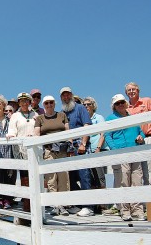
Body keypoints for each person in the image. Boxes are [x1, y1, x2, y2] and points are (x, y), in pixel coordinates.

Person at [104, 94, 146, 221]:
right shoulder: (110, 118)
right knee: (123, 181)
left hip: (135, 152)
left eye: (122, 102)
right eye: (118, 103)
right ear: (114, 106)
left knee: (137, 181)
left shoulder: (132, 117)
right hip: (121, 153)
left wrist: (141, 137)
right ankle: (125, 210)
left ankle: (137, 210)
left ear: (126, 103)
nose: (121, 104)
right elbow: (107, 135)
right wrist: (115, 150)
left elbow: (141, 131)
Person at [60, 87, 93, 217]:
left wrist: (83, 144)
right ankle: (77, 204)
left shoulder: (80, 108)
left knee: (84, 176)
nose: (66, 97)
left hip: (80, 144)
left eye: (68, 95)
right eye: (63, 95)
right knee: (70, 177)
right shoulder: (62, 112)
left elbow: (87, 125)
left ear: (72, 95)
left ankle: (88, 206)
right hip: (68, 147)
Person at [35, 95, 70, 216]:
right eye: (46, 103)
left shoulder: (62, 115)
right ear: (43, 105)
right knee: (51, 178)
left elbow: (67, 131)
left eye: (51, 103)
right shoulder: (40, 118)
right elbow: (37, 134)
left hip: (62, 149)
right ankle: (56, 205)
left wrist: (70, 143)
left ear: (54, 104)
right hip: (49, 150)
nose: (49, 105)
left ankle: (63, 205)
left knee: (63, 177)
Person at [7, 92, 37, 220]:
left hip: (34, 149)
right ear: (19, 103)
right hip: (21, 150)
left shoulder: (35, 114)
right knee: (25, 177)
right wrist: (12, 135)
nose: (24, 103)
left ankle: (35, 204)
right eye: (22, 101)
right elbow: (12, 130)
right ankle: (27, 205)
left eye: (26, 101)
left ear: (30, 102)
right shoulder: (15, 116)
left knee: (35, 177)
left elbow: (39, 128)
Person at [125, 82, 151, 186]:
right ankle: (139, 200)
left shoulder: (147, 101)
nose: (131, 92)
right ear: (126, 93)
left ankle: (150, 200)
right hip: (134, 142)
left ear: (138, 90)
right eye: (129, 90)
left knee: (150, 170)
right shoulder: (126, 108)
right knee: (136, 171)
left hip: (149, 138)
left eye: (133, 89)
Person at [83, 97, 109, 190]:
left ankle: (103, 203)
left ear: (93, 106)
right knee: (92, 178)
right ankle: (96, 203)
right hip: (89, 151)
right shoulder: (84, 119)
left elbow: (103, 133)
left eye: (88, 104)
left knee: (100, 177)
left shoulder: (98, 117)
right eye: (84, 104)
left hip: (98, 150)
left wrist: (98, 148)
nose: (86, 106)